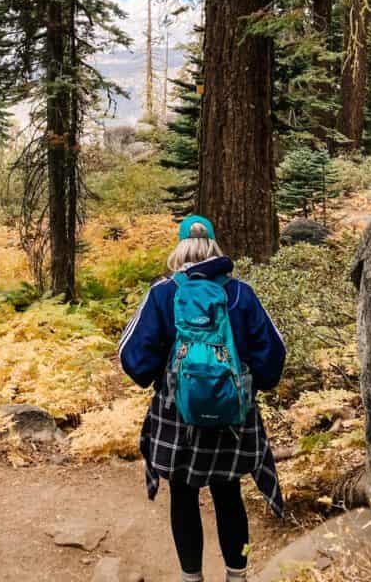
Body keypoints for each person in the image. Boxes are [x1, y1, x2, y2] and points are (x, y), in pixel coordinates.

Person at [119, 214, 286, 582]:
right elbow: (274, 356)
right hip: (233, 417)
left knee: (182, 496)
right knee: (228, 496)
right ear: (213, 247)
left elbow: (132, 357)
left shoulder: (163, 293)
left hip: (177, 417)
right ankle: (237, 576)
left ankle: (191, 578)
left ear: (180, 248)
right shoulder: (241, 293)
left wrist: (157, 380)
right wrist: (250, 385)